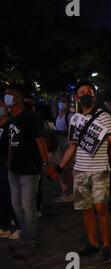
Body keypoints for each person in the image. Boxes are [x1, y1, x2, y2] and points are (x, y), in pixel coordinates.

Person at [56, 80, 111, 264]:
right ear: (76, 97)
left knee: (100, 208)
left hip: (100, 169)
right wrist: (60, 166)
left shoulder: (104, 116)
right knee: (86, 209)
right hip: (80, 170)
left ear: (93, 95)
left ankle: (106, 247)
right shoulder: (75, 119)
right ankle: (92, 244)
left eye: (88, 91)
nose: (85, 94)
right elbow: (72, 146)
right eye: (81, 92)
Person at [4, 84, 56, 259]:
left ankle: (29, 240)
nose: (6, 98)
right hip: (14, 170)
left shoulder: (30, 117)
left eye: (9, 95)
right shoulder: (12, 119)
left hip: (29, 170)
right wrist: (9, 165)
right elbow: (11, 144)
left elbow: (40, 141)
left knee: (28, 206)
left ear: (18, 97)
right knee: (16, 206)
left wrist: (45, 163)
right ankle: (26, 235)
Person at [0, 96, 19, 239]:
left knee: (11, 196)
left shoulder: (11, 123)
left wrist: (10, 163)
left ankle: (17, 227)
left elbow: (12, 145)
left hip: (8, 163)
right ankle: (4, 225)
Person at [54, 95, 74, 203]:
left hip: (67, 147)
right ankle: (66, 192)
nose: (62, 103)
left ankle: (69, 193)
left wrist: (57, 132)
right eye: (60, 101)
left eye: (64, 101)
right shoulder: (58, 115)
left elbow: (72, 133)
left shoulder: (70, 116)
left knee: (67, 171)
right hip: (60, 148)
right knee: (62, 172)